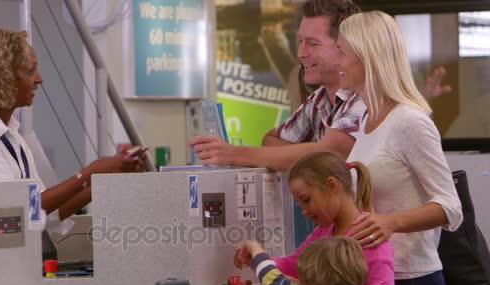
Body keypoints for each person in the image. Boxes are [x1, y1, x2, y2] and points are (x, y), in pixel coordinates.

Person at [189, 0, 451, 172]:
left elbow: (331, 151)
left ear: (346, 47)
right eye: (300, 41)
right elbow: (272, 141)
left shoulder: (368, 98)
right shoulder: (320, 99)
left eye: (313, 44)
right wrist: (309, 156)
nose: (301, 54)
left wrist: (236, 154)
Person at [336, 11, 463, 285]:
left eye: (342, 52)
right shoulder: (366, 120)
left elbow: (451, 207)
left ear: (367, 57)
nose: (338, 61)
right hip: (376, 280)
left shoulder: (410, 122)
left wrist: (391, 222)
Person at [0, 28, 143, 220]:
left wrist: (103, 181)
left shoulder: (11, 137)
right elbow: (13, 211)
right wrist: (88, 172)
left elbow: (41, 213)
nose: (39, 79)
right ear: (3, 77)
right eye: (30, 71)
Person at [236, 151, 400, 285]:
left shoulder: (369, 234)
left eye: (307, 200)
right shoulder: (322, 233)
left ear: (332, 186)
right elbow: (292, 264)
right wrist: (257, 259)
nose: (304, 211)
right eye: (300, 204)